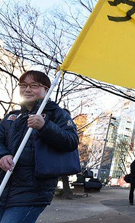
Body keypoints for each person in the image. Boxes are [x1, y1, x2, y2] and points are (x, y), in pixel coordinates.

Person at [0, 70, 79, 223]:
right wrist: (2, 155)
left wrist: (45, 127)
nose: (27, 89)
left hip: (33, 192)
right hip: (4, 186)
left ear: (46, 89)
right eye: (23, 85)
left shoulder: (58, 114)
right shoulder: (11, 116)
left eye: (34, 85)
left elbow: (71, 141)